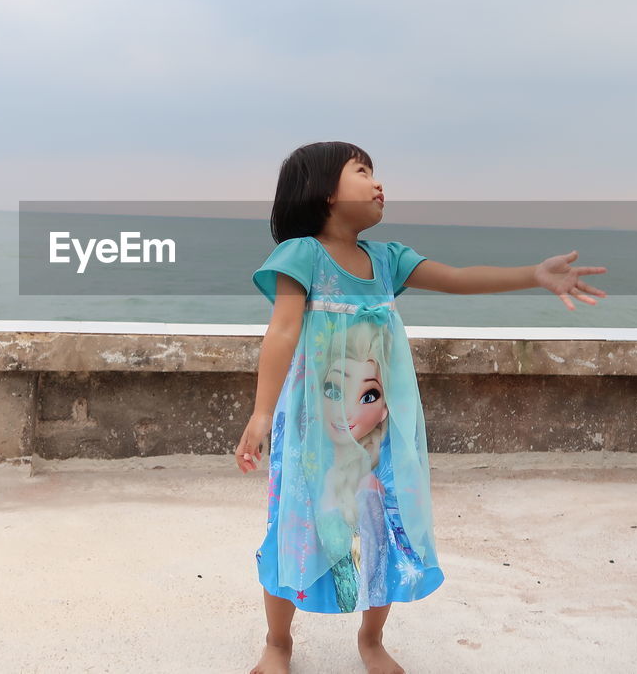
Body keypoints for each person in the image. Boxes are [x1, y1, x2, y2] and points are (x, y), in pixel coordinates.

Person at [237, 141, 608, 674]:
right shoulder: (300, 255)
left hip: (381, 427)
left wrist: (533, 274)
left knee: (386, 524)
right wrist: (261, 413)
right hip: (313, 428)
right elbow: (283, 331)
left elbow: (458, 278)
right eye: (362, 171)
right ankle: (278, 643)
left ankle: (371, 640)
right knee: (295, 521)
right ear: (323, 191)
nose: (378, 182)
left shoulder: (388, 260)